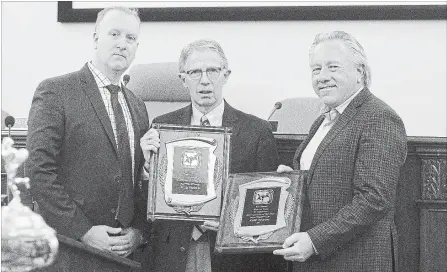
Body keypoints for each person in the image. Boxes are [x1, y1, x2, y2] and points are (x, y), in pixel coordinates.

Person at [139, 39, 281, 272]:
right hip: (172, 253)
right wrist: (147, 167)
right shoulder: (163, 127)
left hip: (228, 257)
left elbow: (264, 210)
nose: (204, 80)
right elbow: (148, 203)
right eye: (195, 72)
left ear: (226, 75)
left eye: (212, 71)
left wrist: (227, 222)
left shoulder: (256, 131)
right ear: (183, 79)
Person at [273, 31, 407, 272]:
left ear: (360, 72)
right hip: (316, 262)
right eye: (316, 69)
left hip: (355, 262)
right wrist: (294, 179)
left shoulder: (379, 117)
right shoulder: (323, 120)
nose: (322, 77)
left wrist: (314, 241)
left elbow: (374, 200)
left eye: (332, 67)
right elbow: (327, 181)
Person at [26, 6, 149, 258]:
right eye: (114, 34)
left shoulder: (137, 106)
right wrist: (83, 232)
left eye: (130, 38)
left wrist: (138, 232)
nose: (122, 44)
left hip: (125, 254)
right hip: (72, 250)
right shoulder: (56, 92)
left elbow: (139, 180)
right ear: (95, 38)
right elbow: (38, 171)